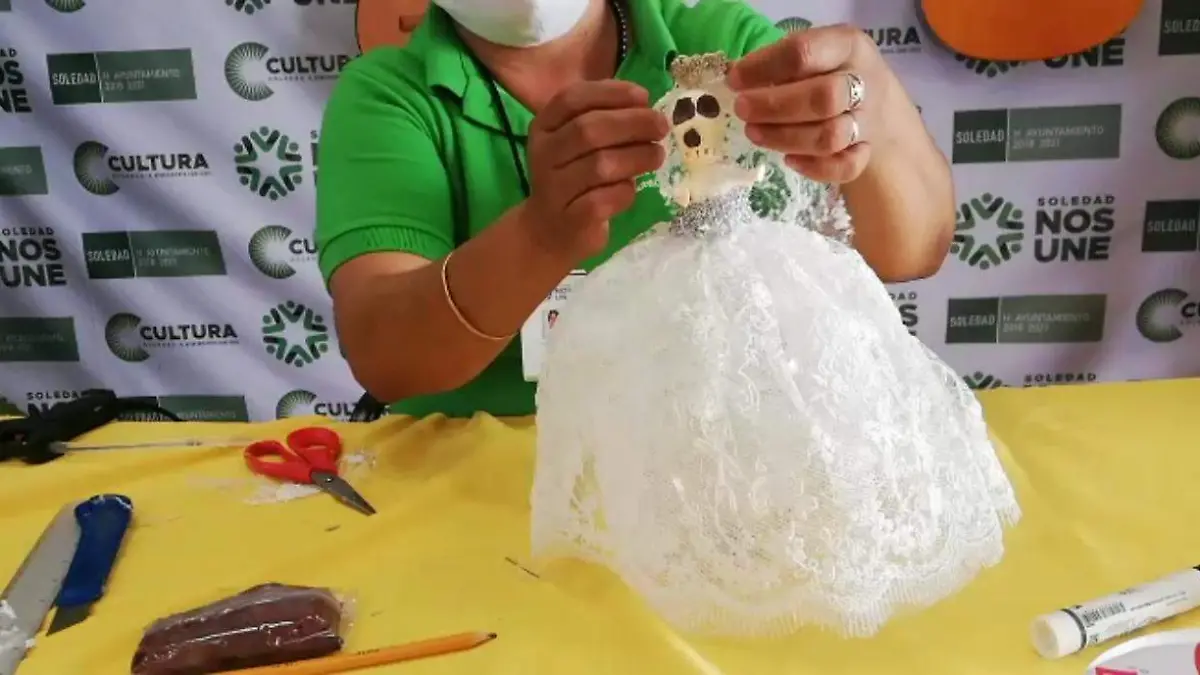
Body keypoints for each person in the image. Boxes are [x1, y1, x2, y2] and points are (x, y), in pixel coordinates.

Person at [317, 0, 955, 419]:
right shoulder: (390, 96)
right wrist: (540, 235)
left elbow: (911, 250)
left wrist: (873, 100)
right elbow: (387, 357)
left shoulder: (720, 46)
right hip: (484, 489)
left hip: (714, 467)